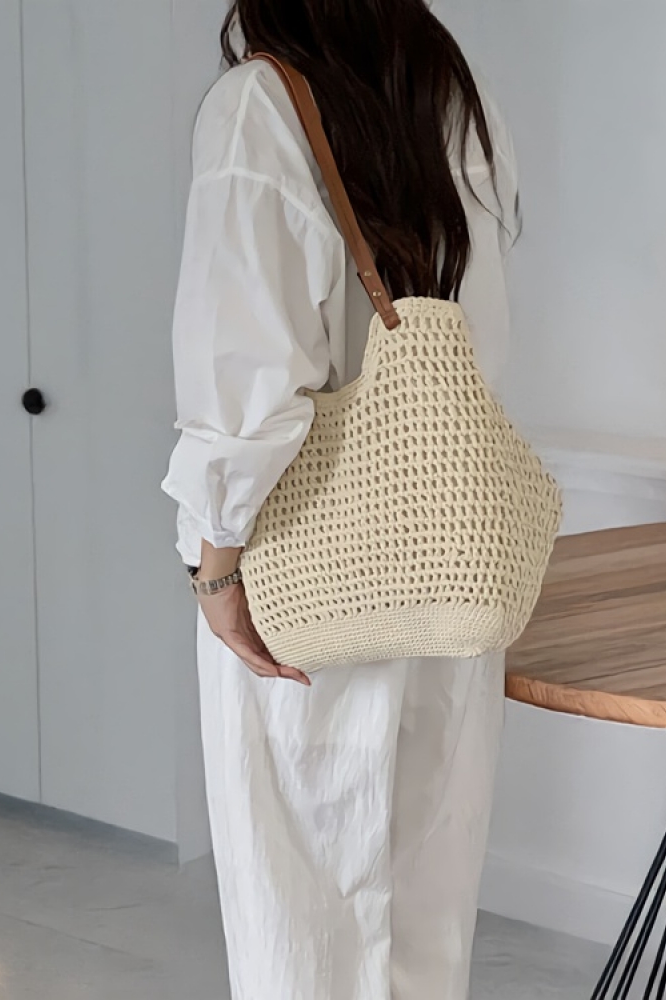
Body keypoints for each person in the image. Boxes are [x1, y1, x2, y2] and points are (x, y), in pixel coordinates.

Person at [160, 1, 521, 997]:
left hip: (306, 571)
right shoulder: (448, 92)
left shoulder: (259, 104)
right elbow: (481, 341)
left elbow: (246, 385)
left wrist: (215, 568)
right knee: (424, 925)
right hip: (445, 557)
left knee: (302, 929)